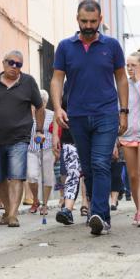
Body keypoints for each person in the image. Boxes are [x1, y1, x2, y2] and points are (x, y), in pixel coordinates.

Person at [51, 0, 128, 236]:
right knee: (89, 168)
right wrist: (57, 108)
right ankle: (99, 215)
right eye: (84, 21)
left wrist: (123, 111)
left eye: (93, 21)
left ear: (100, 20)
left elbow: (122, 79)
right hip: (77, 116)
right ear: (77, 19)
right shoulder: (65, 47)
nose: (88, 26)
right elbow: (57, 79)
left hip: (106, 114)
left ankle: (99, 215)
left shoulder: (112, 46)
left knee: (100, 163)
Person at [0, 50, 44, 227]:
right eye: (11, 63)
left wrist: (40, 130)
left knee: (16, 176)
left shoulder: (28, 82)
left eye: (18, 64)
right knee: (0, 177)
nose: (14, 67)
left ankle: (13, 214)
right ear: (3, 63)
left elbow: (40, 107)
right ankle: (6, 212)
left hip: (19, 138)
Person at [120, 49, 140, 227]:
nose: (129, 69)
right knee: (132, 176)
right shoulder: (123, 84)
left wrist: (139, 81)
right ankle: (138, 208)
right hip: (127, 134)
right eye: (128, 65)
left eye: (133, 66)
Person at [53, 94, 81, 225]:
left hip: (94, 136)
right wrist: (55, 136)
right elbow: (58, 111)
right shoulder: (66, 84)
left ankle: (94, 209)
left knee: (93, 172)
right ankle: (67, 209)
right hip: (69, 137)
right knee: (72, 172)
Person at [27, 90, 55, 217]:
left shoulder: (52, 115)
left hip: (48, 149)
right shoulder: (28, 115)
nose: (40, 104)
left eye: (42, 101)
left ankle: (45, 204)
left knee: (47, 178)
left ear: (46, 102)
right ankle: (35, 200)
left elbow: (56, 132)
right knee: (32, 176)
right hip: (31, 150)